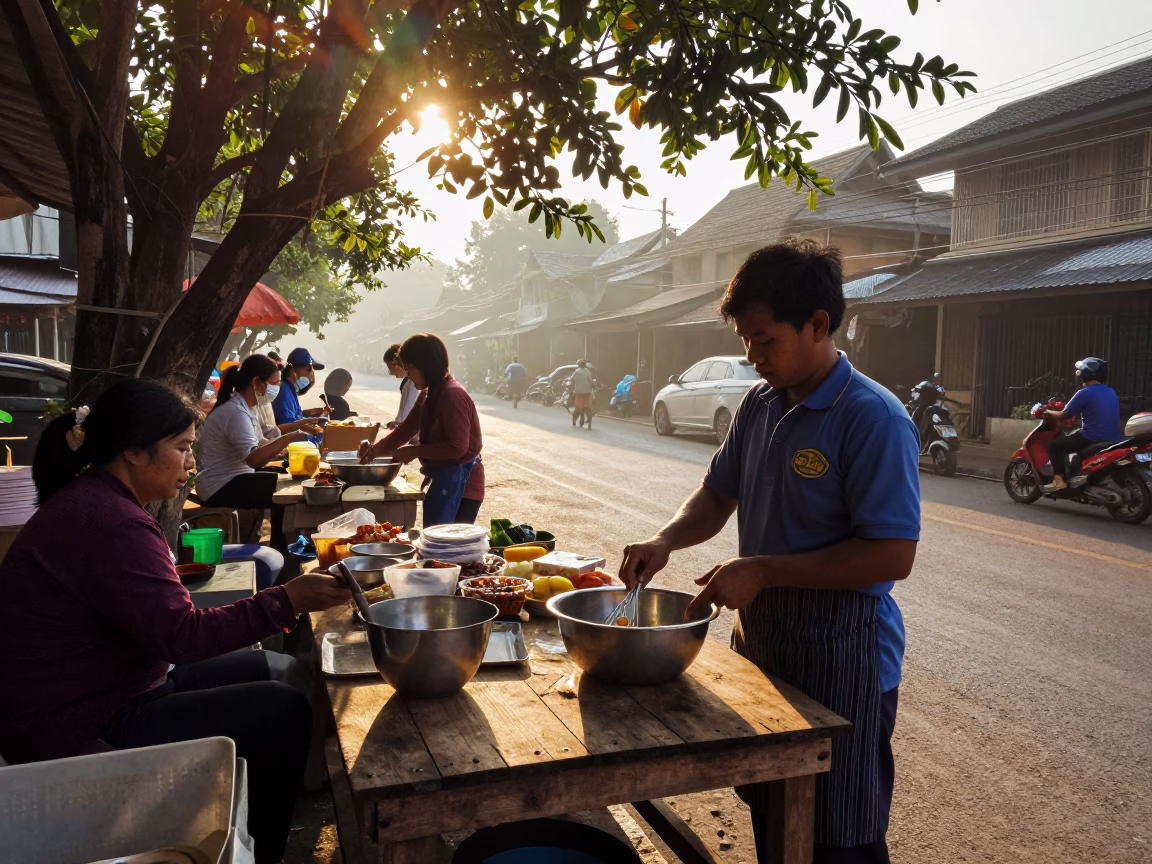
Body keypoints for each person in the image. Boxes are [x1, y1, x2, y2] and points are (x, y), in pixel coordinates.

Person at [620, 240, 919, 864]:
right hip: (767, 644)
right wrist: (665, 539)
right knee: (777, 815)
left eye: (765, 340)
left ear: (818, 324)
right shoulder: (759, 405)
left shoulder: (871, 418)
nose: (753, 358)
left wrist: (763, 569)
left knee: (839, 836)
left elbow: (892, 556)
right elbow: (715, 494)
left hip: (846, 655)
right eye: (746, 342)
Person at [0, 378, 350, 863]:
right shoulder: (108, 521)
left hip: (119, 682)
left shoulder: (101, 502)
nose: (192, 464)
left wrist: (283, 602)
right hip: (78, 722)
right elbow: (181, 637)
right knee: (281, 708)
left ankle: (252, 807)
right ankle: (259, 849)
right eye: (184, 448)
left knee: (278, 669)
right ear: (134, 452)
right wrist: (286, 599)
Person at [197, 354, 321, 569]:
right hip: (220, 485)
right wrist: (291, 437)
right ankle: (284, 558)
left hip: (235, 477)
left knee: (286, 486)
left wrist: (284, 450)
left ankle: (281, 551)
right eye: (273, 384)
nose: (276, 389)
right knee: (288, 495)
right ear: (256, 382)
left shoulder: (245, 408)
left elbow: (262, 442)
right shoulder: (235, 411)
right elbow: (254, 458)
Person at [359, 334, 484, 526]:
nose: (407, 375)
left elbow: (457, 448)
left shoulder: (452, 395)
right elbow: (405, 430)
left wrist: (414, 450)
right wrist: (373, 451)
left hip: (463, 484)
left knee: (446, 549)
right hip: (442, 476)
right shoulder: (428, 394)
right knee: (434, 540)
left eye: (410, 369)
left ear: (427, 366)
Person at [1042, 357, 1121, 491]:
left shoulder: (1085, 392)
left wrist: (1047, 411)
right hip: (1114, 438)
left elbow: (1064, 414)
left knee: (1054, 446)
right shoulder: (1111, 391)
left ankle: (1059, 480)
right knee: (1074, 438)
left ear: (1085, 374)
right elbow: (1097, 412)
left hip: (1092, 438)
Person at [271, 346, 328, 426]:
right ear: (293, 370)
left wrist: (310, 414)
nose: (310, 377)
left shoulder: (291, 390)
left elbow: (296, 418)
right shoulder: (284, 390)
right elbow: (288, 427)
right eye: (308, 370)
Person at [384, 343, 420, 429]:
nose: (391, 373)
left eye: (390, 367)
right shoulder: (408, 381)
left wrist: (398, 424)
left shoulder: (412, 383)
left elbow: (404, 416)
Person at [569, 359, 596, 429]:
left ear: (578, 365)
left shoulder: (576, 371)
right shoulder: (588, 371)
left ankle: (575, 420)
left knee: (578, 407)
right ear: (585, 365)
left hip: (578, 393)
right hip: (587, 393)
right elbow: (590, 381)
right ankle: (589, 421)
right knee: (588, 406)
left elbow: (571, 379)